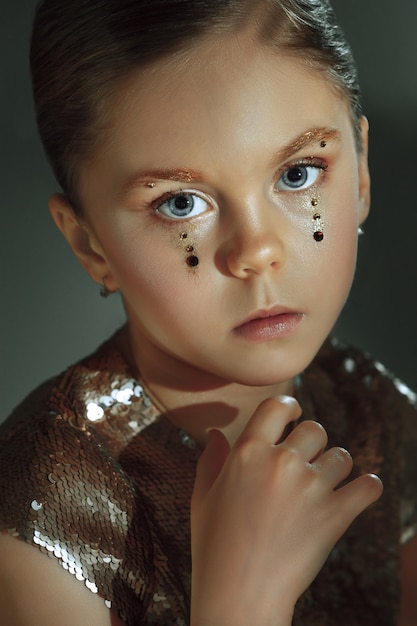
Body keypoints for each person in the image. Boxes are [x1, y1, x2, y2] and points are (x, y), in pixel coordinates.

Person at [0, 0, 416, 624]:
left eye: (300, 174)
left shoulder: (376, 412)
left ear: (358, 173)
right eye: (179, 204)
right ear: (89, 243)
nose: (256, 252)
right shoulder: (42, 514)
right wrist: (242, 601)